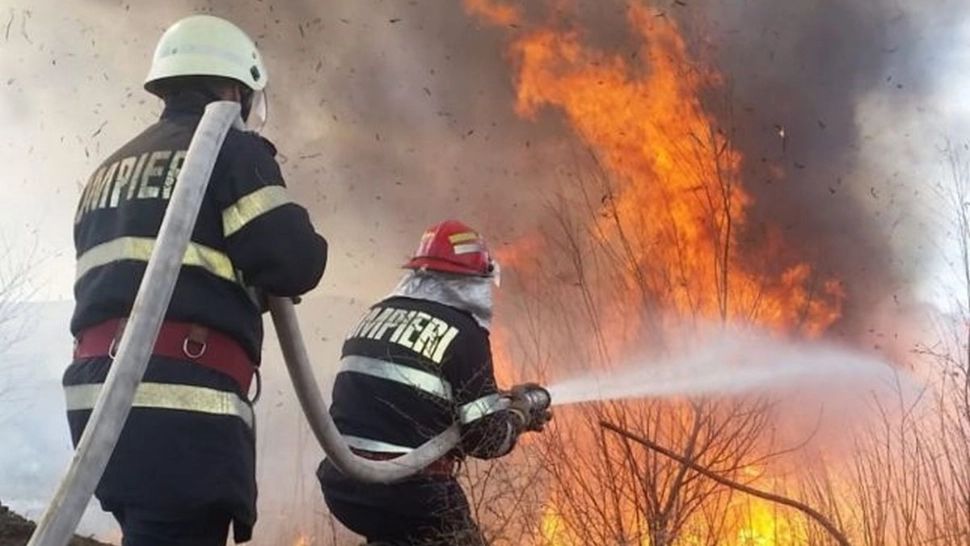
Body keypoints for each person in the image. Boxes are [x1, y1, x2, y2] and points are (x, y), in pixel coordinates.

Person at [64, 14, 327, 545]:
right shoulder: (230, 151)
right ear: (234, 86)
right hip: (180, 403)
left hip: (97, 401)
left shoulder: (109, 169)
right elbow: (296, 262)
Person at [318, 219, 551, 546]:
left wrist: (494, 401)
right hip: (410, 492)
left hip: (344, 485)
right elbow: (485, 440)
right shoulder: (464, 332)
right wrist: (520, 416)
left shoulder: (374, 315)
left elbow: (409, 397)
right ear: (471, 283)